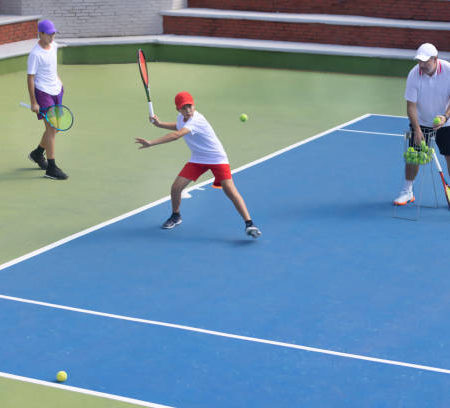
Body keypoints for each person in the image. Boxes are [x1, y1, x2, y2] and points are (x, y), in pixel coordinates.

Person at [135, 91, 262, 238]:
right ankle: (176, 216)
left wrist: (151, 143)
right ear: (178, 110)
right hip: (198, 158)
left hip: (216, 158)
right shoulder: (182, 118)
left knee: (230, 190)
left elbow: (177, 135)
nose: (188, 110)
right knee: (176, 187)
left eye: (190, 106)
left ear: (194, 106)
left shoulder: (197, 119)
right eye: (184, 108)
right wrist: (160, 124)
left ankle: (249, 224)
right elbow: (178, 126)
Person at [394, 43, 450, 205]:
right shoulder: (414, 74)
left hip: (446, 122)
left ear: (435, 59)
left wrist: (445, 117)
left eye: (425, 61)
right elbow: (411, 105)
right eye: (420, 61)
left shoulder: (448, 70)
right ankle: (407, 191)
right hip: (422, 121)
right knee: (414, 156)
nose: (422, 65)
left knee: (449, 155)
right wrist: (417, 130)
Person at [27, 19, 68, 180]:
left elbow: (52, 66)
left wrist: (59, 81)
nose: (52, 37)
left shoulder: (54, 46)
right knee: (52, 129)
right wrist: (33, 102)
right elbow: (30, 78)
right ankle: (51, 168)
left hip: (56, 90)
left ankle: (37, 153)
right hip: (43, 93)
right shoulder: (35, 54)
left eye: (53, 34)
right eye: (49, 34)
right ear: (40, 34)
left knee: (56, 128)